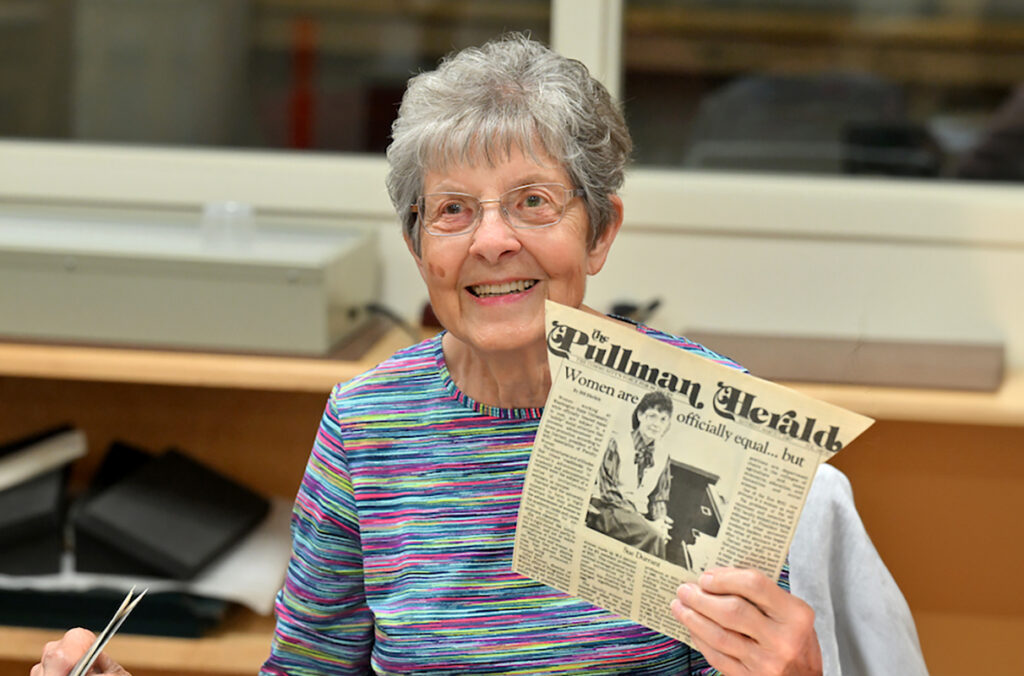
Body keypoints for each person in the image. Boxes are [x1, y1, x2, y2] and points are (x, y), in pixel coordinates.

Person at [34, 33, 925, 676]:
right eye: (453, 210)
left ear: (601, 230)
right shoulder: (367, 424)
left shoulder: (706, 415)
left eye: (534, 202)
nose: (492, 242)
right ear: (420, 246)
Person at [587, 390, 675, 558]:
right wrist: (645, 523)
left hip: (637, 518)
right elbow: (608, 492)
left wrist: (660, 521)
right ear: (640, 415)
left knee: (658, 535)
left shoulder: (664, 455)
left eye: (663, 419)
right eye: (652, 416)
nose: (657, 424)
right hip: (607, 510)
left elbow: (659, 498)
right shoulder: (617, 443)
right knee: (653, 537)